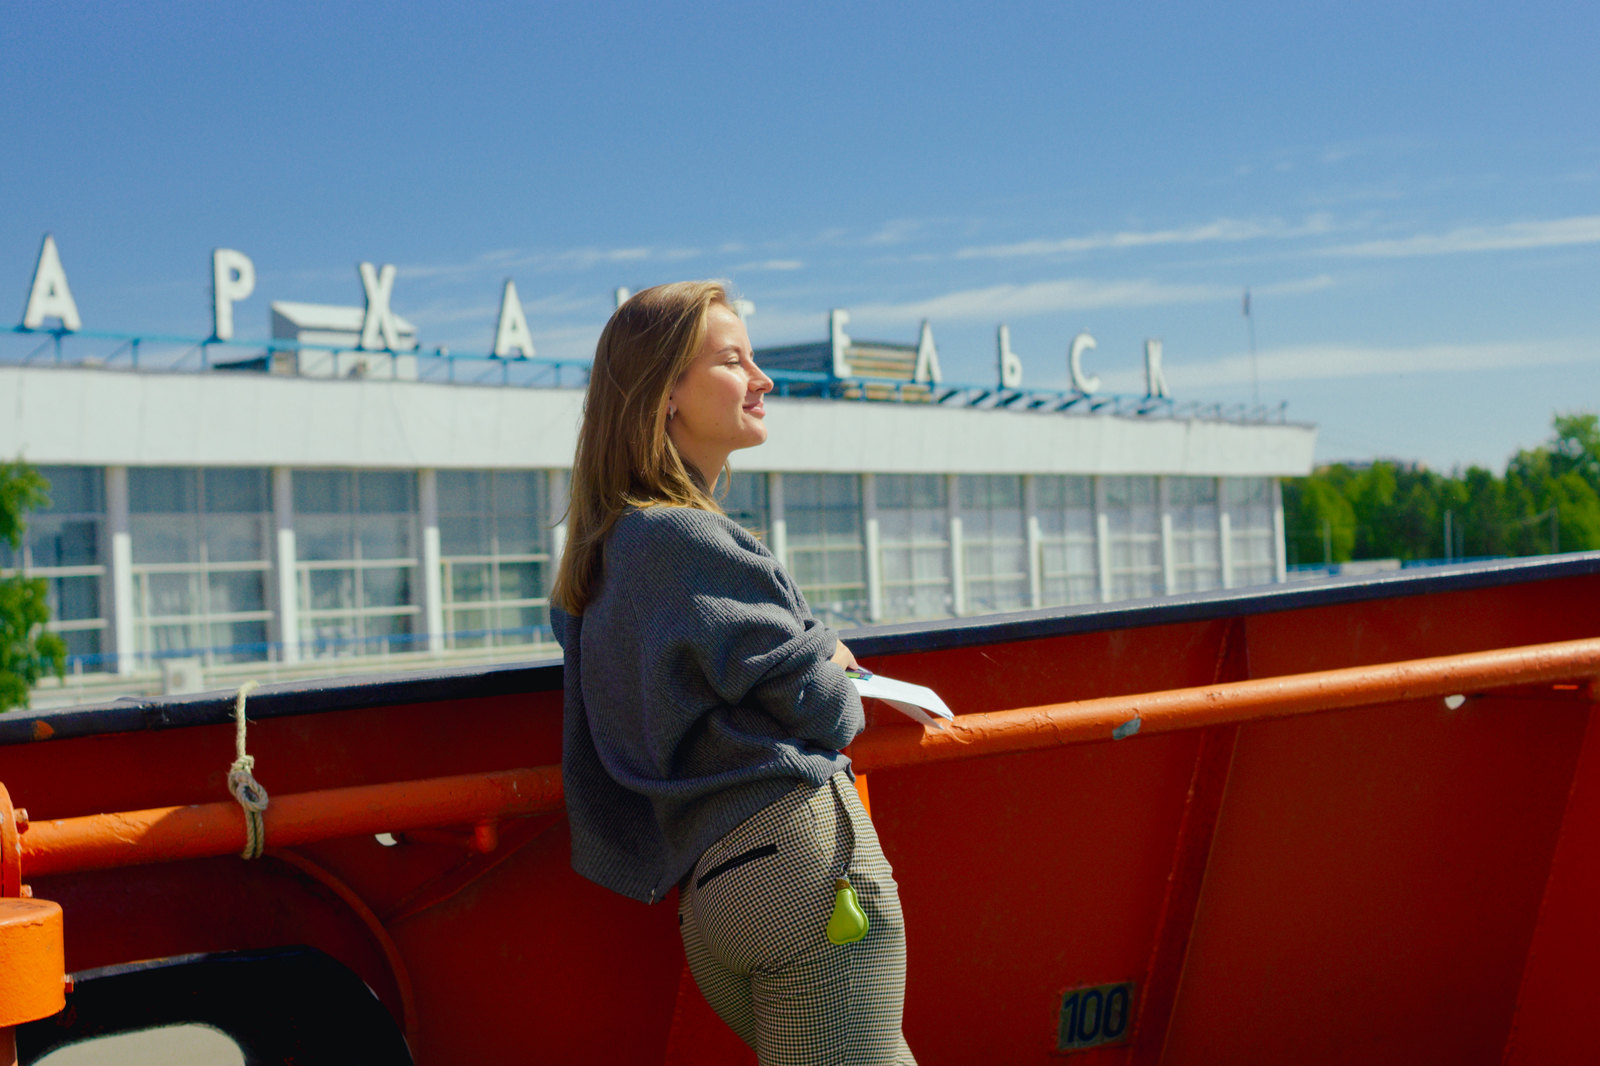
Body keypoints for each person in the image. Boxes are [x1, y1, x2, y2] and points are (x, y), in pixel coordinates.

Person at [550, 281, 916, 1065]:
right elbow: (829, 712)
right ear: (665, 395)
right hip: (800, 875)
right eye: (733, 359)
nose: (764, 378)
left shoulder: (607, 554)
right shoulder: (686, 538)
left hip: (712, 895)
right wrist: (828, 652)